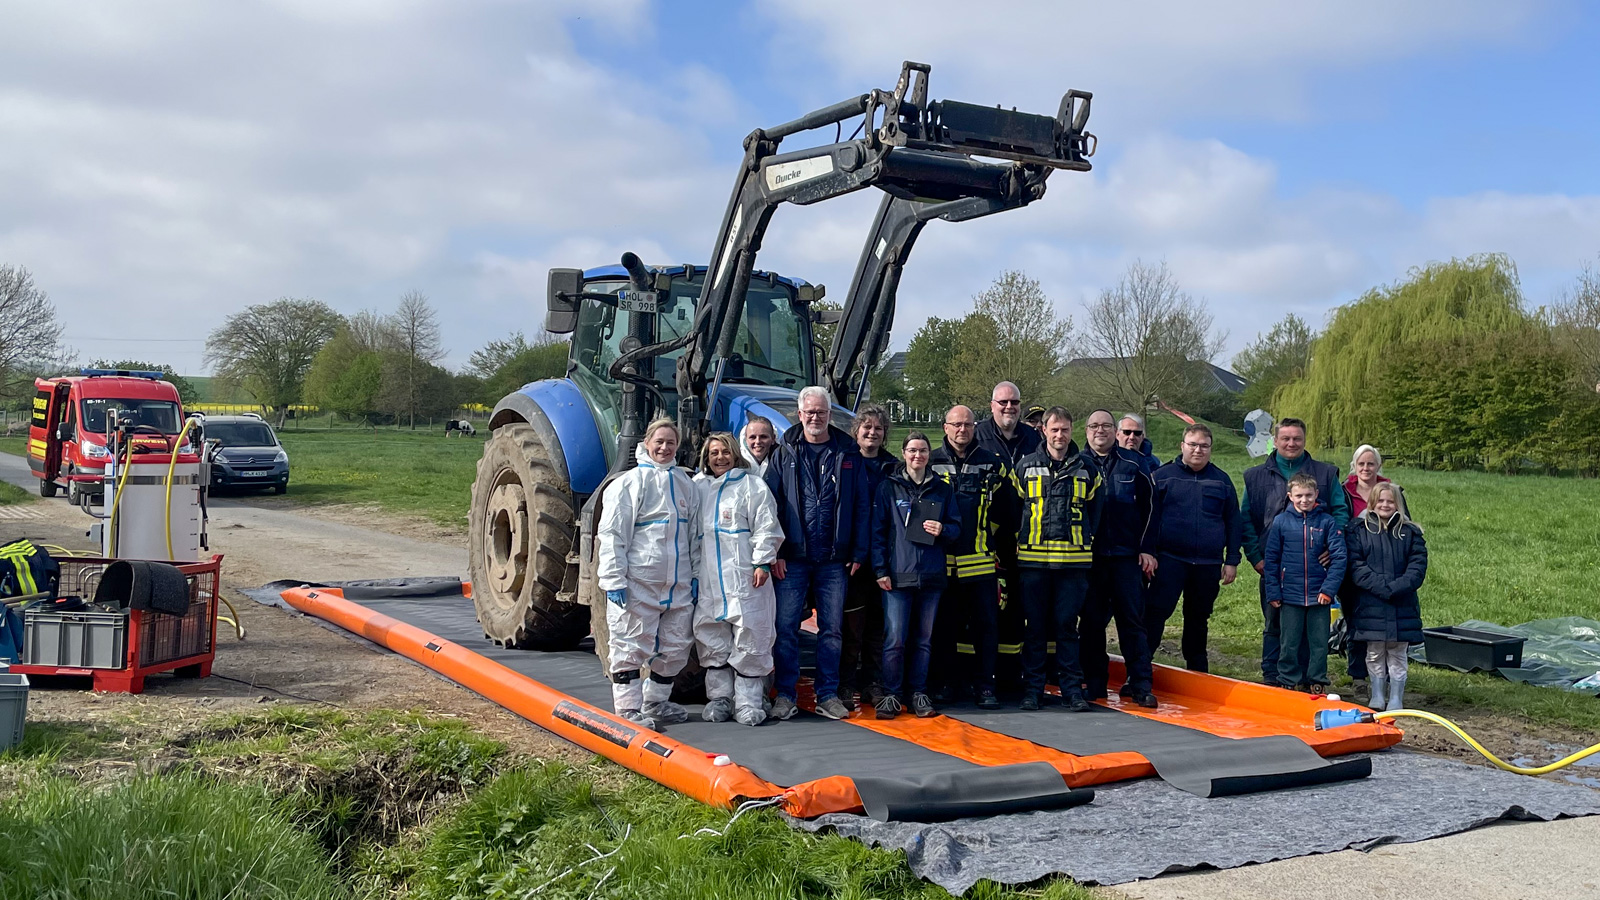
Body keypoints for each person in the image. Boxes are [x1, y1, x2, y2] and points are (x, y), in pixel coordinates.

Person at [763, 386, 872, 721]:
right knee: (785, 628)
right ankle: (785, 694)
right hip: (792, 559)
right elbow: (771, 505)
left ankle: (827, 694)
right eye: (809, 412)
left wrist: (858, 549)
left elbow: (862, 505)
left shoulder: (847, 453)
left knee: (832, 630)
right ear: (800, 414)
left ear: (828, 414)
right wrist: (775, 551)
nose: (815, 418)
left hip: (834, 560)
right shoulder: (783, 453)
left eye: (821, 412)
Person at [596, 418, 701, 730]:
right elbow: (613, 534)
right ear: (647, 443)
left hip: (678, 585)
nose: (665, 448)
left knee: (675, 647)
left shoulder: (686, 485)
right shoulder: (628, 484)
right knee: (629, 645)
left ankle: (656, 703)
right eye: (660, 442)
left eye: (671, 443)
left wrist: (694, 575)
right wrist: (614, 579)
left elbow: (694, 535)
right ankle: (627, 709)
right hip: (638, 584)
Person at [1241, 417, 1349, 686]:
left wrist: (1329, 545)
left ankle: (1307, 678)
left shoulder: (1325, 474)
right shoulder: (1255, 476)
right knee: (1276, 624)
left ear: (1304, 440)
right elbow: (1245, 519)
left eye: (1297, 439)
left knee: (1311, 629)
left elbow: (1340, 512)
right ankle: (1273, 676)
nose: (1291, 443)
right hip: (1273, 565)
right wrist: (1256, 557)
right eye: (1285, 438)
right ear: (1275, 441)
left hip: (1315, 569)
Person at [929, 404, 1018, 709]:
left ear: (974, 427)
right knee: (944, 627)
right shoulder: (931, 462)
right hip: (941, 562)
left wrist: (995, 543)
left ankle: (985, 686)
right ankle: (944, 684)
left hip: (980, 562)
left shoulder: (993, 464)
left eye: (967, 425)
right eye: (956, 424)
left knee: (986, 627)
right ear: (945, 427)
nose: (962, 430)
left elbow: (1009, 511)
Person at [1014, 407, 1102, 712]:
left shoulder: (1088, 469)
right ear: (1044, 431)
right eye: (1054, 430)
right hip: (1033, 562)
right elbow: (1013, 512)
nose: (1060, 435)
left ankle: (1071, 691)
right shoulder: (1024, 467)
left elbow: (1096, 514)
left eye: (1065, 430)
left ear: (1071, 431)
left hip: (1073, 564)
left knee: (1067, 627)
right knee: (1035, 628)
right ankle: (1033, 690)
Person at [692, 432, 783, 726]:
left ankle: (749, 702)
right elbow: (690, 534)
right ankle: (720, 699)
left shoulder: (752, 486)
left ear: (735, 454)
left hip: (745, 577)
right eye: (714, 453)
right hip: (709, 579)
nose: (720, 458)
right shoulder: (699, 488)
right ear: (706, 458)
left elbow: (766, 526)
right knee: (712, 637)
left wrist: (762, 562)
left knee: (751, 635)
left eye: (725, 452)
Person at [872, 432, 962, 719]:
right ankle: (891, 694)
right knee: (895, 639)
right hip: (897, 576)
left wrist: (943, 530)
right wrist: (880, 570)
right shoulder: (889, 487)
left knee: (924, 640)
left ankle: (919, 692)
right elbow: (877, 532)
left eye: (923, 451)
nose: (917, 456)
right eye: (912, 450)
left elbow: (957, 528)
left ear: (928, 455)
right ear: (904, 453)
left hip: (932, 576)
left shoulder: (943, 489)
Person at [1142, 424, 1241, 673]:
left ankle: (1197, 671)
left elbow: (1233, 521)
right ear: (1182, 446)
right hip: (1169, 560)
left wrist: (1232, 560)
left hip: (1208, 563)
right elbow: (1148, 520)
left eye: (1204, 446)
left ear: (1210, 448)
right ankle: (1140, 668)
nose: (1198, 450)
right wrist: (1149, 552)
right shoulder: (1162, 476)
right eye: (1193, 444)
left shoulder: (1222, 481)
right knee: (1156, 613)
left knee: (1198, 619)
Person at [1077, 410, 1158, 708]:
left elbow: (1152, 508)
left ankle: (1140, 685)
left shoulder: (1134, 463)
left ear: (1115, 431)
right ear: (1086, 430)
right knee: (1091, 623)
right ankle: (1095, 683)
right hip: (1090, 559)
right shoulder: (1077, 464)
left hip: (1127, 558)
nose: (1101, 431)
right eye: (1094, 426)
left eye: (1107, 426)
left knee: (1132, 623)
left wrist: (1147, 548)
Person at [1345, 482, 1427, 712]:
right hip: (1370, 603)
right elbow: (1356, 566)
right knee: (1374, 652)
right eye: (1380, 500)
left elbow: (1417, 567)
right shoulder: (1359, 530)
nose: (1385, 505)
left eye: (1390, 501)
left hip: (1402, 603)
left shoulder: (1411, 533)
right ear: (1372, 503)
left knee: (1398, 652)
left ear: (1398, 504)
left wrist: (1396, 587)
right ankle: (1378, 694)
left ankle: (1396, 697)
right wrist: (1380, 587)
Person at [1262, 473, 1347, 692]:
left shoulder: (1327, 522)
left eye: (1309, 495)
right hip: (1289, 594)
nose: (1304, 500)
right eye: (1299, 495)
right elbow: (1271, 559)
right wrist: (1273, 592)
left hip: (1319, 595)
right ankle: (1288, 680)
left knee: (1318, 643)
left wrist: (1329, 589)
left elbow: (1339, 558)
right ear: (1290, 496)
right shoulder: (1281, 522)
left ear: (1316, 494)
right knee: (1289, 641)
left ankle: (1316, 680)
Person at [840, 404, 898, 708]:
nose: (872, 433)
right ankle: (846, 684)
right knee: (852, 628)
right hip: (854, 561)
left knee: (879, 626)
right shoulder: (845, 462)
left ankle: (873, 683)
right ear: (857, 431)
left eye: (878, 428)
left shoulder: (893, 467)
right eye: (867, 428)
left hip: (885, 559)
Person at [975, 381, 1042, 467]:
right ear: (992, 406)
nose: (1009, 406)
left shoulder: (1033, 436)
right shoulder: (976, 435)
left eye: (1014, 402)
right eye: (1003, 402)